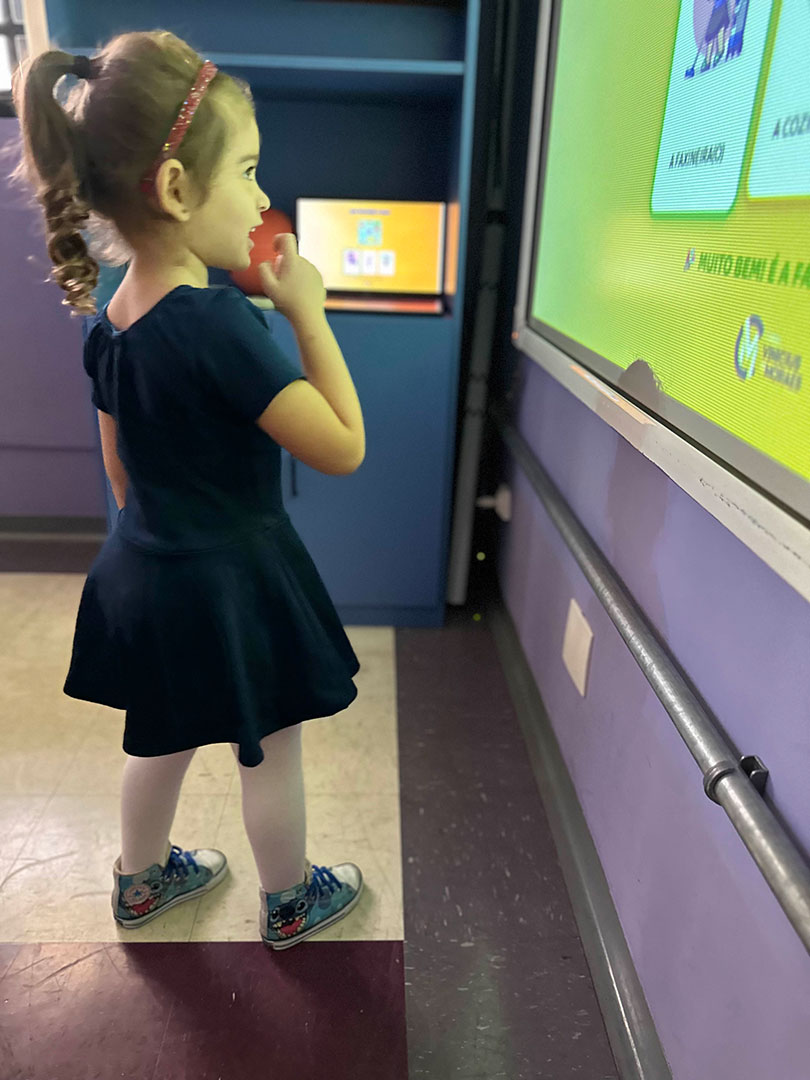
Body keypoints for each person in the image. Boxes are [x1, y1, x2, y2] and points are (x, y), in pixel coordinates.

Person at [10, 30, 366, 950]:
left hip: (146, 564)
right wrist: (309, 317)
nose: (262, 198)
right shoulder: (219, 325)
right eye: (246, 171)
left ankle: (140, 882)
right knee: (270, 744)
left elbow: (119, 470)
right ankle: (291, 900)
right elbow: (343, 447)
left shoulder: (110, 318)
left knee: (158, 733)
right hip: (235, 575)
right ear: (174, 188)